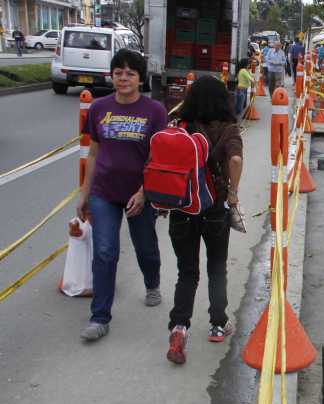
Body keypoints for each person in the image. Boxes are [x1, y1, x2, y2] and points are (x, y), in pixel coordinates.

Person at [77, 49, 168, 341]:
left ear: (140, 79)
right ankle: (99, 317)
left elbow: (158, 159)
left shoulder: (155, 111)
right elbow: (93, 153)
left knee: (146, 248)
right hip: (104, 192)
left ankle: (152, 282)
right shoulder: (99, 108)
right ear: (112, 75)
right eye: (119, 72)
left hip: (140, 194)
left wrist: (144, 192)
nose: (124, 78)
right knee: (105, 252)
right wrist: (84, 193)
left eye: (130, 73)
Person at [165, 75, 244, 364]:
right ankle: (217, 325)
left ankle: (179, 326)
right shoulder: (228, 129)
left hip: (183, 209)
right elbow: (234, 161)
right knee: (216, 269)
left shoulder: (180, 127)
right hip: (215, 210)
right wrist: (232, 193)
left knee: (187, 272)